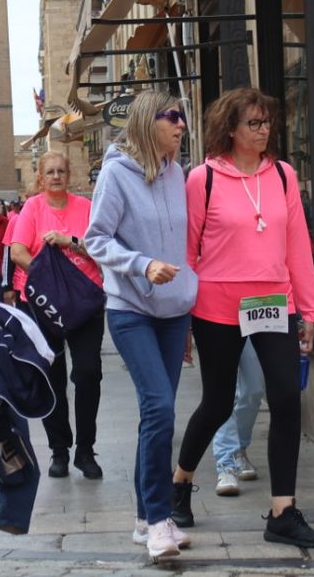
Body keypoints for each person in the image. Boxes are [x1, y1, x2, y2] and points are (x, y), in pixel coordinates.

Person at [172, 87, 314, 549]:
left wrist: (309, 308)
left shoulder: (282, 175)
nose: (264, 131)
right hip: (216, 308)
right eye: (254, 124)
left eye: (267, 123)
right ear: (230, 129)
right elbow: (187, 251)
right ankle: (180, 483)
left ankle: (283, 511)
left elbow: (298, 245)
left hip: (273, 305)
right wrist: (182, 318)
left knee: (285, 399)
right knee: (218, 402)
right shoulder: (202, 179)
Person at [83, 93, 198, 561]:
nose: (181, 125)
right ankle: (157, 519)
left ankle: (142, 518)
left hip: (175, 313)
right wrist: (141, 264)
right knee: (160, 409)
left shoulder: (177, 173)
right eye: (172, 117)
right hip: (130, 310)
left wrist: (188, 295)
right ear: (146, 123)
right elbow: (95, 238)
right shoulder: (115, 173)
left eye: (182, 118)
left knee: (158, 414)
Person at [8, 152, 103, 479]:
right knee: (53, 377)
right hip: (45, 306)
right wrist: (48, 279)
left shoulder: (86, 207)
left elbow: (102, 249)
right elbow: (17, 250)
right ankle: (59, 450)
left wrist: (70, 242)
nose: (56, 176)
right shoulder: (33, 208)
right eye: (50, 172)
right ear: (40, 178)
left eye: (62, 170)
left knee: (89, 372)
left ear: (69, 174)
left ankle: (86, 450)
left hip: (85, 302)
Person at [211, 345, 264, 495]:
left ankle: (239, 447)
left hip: (253, 325)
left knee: (254, 390)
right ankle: (226, 464)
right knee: (222, 392)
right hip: (218, 323)